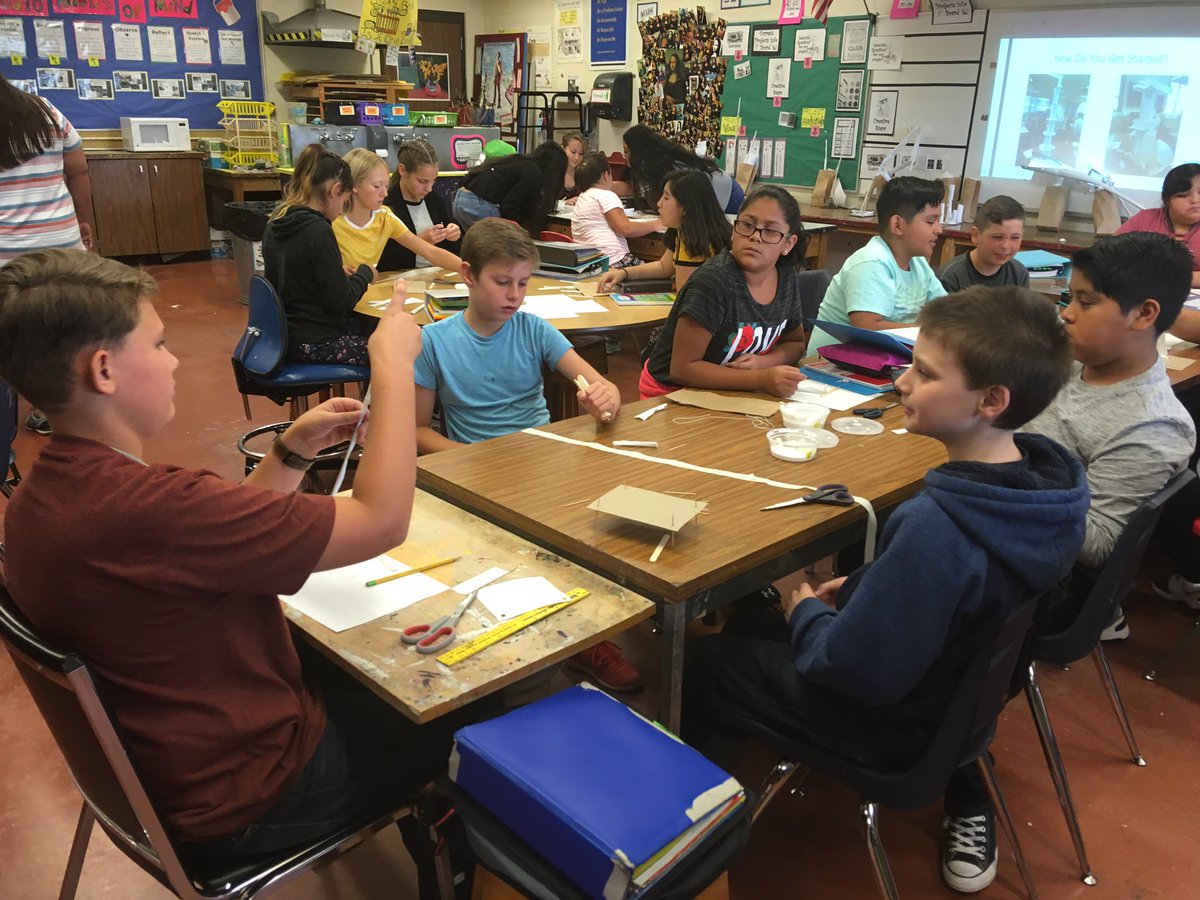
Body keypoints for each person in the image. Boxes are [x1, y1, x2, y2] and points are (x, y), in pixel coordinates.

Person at [0, 249, 464, 898]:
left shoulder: (43, 497)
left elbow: (218, 545)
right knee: (476, 706)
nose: (173, 360)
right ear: (102, 369)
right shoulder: (155, 510)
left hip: (166, 771)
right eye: (158, 344)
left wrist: (288, 451)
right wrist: (388, 366)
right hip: (252, 792)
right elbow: (382, 520)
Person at [681, 286, 1088, 895]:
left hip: (891, 726)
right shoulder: (1044, 493)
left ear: (991, 400)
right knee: (749, 630)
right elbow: (960, 592)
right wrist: (872, 584)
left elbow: (850, 668)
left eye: (924, 373)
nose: (901, 383)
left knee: (708, 658)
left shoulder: (936, 525)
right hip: (956, 707)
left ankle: (686, 845)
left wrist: (801, 607)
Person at [412, 220, 636, 694]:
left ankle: (588, 637)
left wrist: (605, 399)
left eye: (522, 283)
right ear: (468, 275)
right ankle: (529, 635)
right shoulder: (433, 343)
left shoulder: (533, 328)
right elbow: (415, 432)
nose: (514, 295)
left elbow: (604, 388)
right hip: (478, 468)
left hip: (543, 462)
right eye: (502, 282)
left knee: (591, 534)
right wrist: (471, 459)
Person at [1023, 231, 1196, 640]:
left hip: (1049, 585)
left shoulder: (1153, 426)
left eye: (1086, 301)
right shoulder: (1073, 362)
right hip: (1013, 529)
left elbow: (1097, 542)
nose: (1067, 313)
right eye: (1070, 298)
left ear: (1144, 314)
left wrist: (1002, 462)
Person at [639, 185, 809, 400]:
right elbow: (682, 369)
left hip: (734, 390)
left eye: (770, 231)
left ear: (788, 243)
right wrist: (761, 379)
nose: (755, 237)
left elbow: (794, 344)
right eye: (747, 225)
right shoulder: (713, 282)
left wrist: (763, 363)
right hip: (672, 392)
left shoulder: (786, 277)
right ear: (733, 230)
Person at [1, 74, 95, 437]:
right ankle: (52, 409)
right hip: (59, 242)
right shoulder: (45, 111)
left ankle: (4, 412)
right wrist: (83, 221)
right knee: (61, 327)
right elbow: (79, 170)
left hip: (4, 253)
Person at [262, 144, 375, 366]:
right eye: (344, 201)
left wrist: (335, 271)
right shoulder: (318, 229)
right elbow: (341, 302)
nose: (342, 209)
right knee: (394, 351)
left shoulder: (277, 219)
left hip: (283, 336)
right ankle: (373, 403)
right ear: (335, 189)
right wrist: (365, 274)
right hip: (315, 342)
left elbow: (294, 272)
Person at [809, 176, 947, 353]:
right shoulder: (871, 262)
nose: (939, 229)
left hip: (884, 359)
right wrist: (928, 331)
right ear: (897, 225)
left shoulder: (918, 263)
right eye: (930, 221)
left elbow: (946, 311)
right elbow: (868, 328)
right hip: (831, 366)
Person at [597, 169, 731, 295]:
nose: (659, 203)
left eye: (666, 198)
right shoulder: (684, 231)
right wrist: (624, 273)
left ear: (685, 207)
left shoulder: (694, 240)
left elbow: (683, 294)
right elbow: (664, 267)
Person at [334, 148, 461, 272]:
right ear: (354, 185)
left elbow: (431, 252)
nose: (385, 193)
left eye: (386, 186)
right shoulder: (331, 222)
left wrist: (469, 270)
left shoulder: (385, 216)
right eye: (377, 186)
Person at [622, 123, 744, 214]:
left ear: (638, 152)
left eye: (627, 151)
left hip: (728, 194)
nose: (625, 156)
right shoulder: (648, 168)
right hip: (710, 195)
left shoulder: (667, 166)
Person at [378, 140, 462, 272]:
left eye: (433, 181)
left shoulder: (434, 199)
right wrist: (422, 241)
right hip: (400, 276)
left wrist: (455, 234)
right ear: (403, 170)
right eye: (422, 181)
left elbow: (453, 248)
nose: (428, 188)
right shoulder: (386, 204)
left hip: (436, 273)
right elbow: (381, 260)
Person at [568, 152, 661, 268]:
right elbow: (626, 229)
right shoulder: (606, 195)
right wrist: (658, 224)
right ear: (605, 175)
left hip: (589, 264)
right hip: (613, 261)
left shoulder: (582, 197)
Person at [1115, 162, 1200, 288]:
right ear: (1167, 200)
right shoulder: (1144, 219)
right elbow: (1110, 254)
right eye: (1183, 195)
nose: (1195, 200)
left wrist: (1173, 279)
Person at [453, 141, 567, 234]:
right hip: (478, 203)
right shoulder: (534, 173)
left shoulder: (520, 161)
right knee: (499, 248)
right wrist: (522, 229)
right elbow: (508, 206)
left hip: (461, 198)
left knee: (477, 247)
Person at [938, 195, 1030, 292]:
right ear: (976, 235)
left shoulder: (1019, 273)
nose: (1005, 246)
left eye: (1015, 238)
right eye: (997, 237)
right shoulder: (951, 277)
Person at [560, 131, 587, 202]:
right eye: (573, 152)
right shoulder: (552, 173)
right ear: (563, 149)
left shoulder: (584, 175)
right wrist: (563, 203)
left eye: (581, 154)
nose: (577, 157)